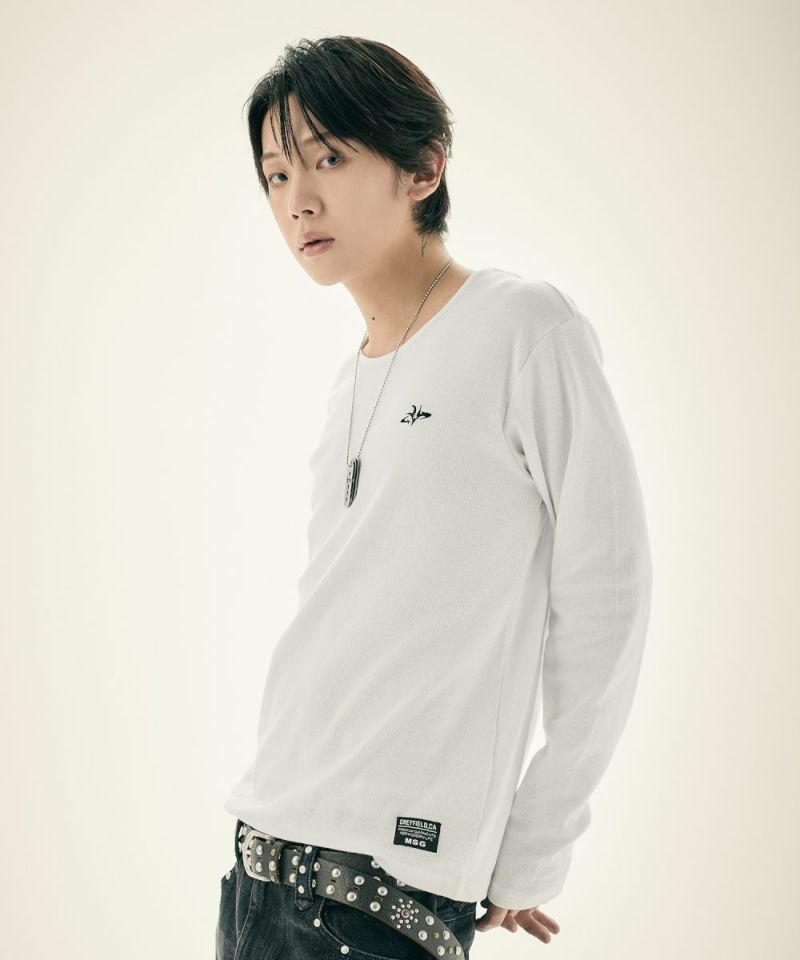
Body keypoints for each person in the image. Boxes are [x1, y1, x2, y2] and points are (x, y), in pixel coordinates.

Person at [217, 35, 653, 960]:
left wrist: (536, 841)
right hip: (260, 866)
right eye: (276, 175)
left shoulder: (523, 326)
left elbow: (608, 593)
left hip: (380, 893)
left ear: (423, 167)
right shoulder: (351, 381)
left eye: (329, 159)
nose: (298, 200)